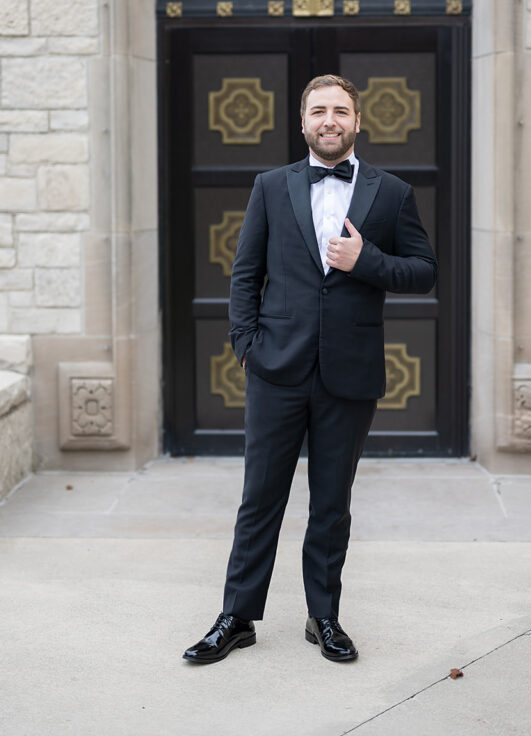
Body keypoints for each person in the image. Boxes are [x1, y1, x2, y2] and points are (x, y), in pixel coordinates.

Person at [183, 74, 437, 665]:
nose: (330, 120)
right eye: (319, 110)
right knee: (260, 498)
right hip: (276, 368)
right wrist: (245, 343)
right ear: (302, 122)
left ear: (356, 121)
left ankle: (323, 616)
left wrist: (366, 260)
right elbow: (245, 272)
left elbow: (424, 270)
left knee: (331, 502)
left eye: (340, 111)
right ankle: (237, 616)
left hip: (350, 372)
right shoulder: (271, 186)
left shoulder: (392, 192)